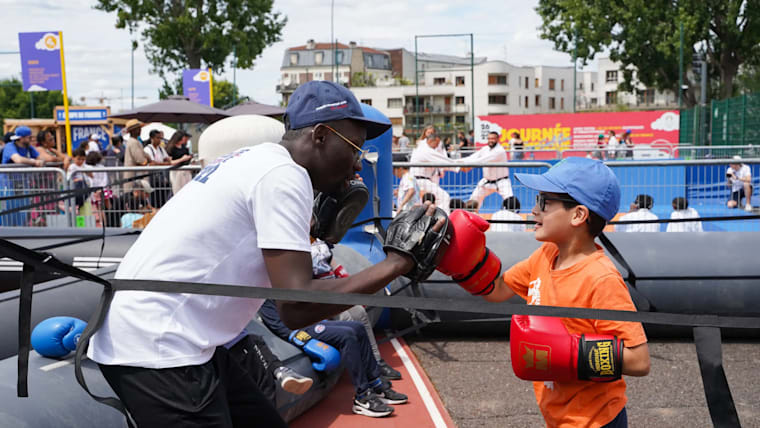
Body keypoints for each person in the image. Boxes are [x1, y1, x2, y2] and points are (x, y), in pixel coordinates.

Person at [87, 80, 439, 427]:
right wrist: (396, 263)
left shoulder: (259, 159)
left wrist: (312, 229)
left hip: (185, 342)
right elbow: (295, 305)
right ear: (319, 136)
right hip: (160, 351)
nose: (358, 165)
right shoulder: (284, 175)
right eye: (355, 148)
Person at [439, 157, 649, 427]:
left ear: (578, 215)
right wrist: (460, 262)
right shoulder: (545, 255)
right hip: (557, 414)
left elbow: (640, 360)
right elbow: (497, 290)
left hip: (597, 420)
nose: (533, 210)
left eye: (544, 202)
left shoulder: (600, 278)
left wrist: (571, 353)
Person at [259, 300, 408, 418]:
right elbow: (278, 325)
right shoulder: (264, 293)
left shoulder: (283, 280)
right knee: (347, 335)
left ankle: (376, 383)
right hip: (300, 330)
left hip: (312, 321)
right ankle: (362, 397)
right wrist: (305, 340)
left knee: (357, 327)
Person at [224, 331, 314, 402]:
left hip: (217, 355)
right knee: (264, 389)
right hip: (237, 342)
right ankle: (280, 370)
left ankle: (280, 370)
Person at [409, 130, 461, 213]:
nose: (437, 146)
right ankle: (443, 220)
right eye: (436, 144)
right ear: (431, 141)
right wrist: (458, 167)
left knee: (420, 203)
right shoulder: (426, 150)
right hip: (421, 180)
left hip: (419, 180)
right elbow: (442, 161)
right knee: (444, 197)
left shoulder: (421, 147)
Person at [1, 126, 44, 226]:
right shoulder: (9, 147)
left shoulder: (29, 148)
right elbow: (18, 160)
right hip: (8, 187)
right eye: (29, 137)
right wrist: (34, 162)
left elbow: (40, 158)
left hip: (23, 186)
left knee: (23, 214)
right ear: (21, 138)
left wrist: (38, 161)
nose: (31, 139)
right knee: (8, 215)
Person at [463, 131, 513, 212]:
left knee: (511, 202)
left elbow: (482, 160)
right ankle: (471, 218)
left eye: (493, 138)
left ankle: (513, 219)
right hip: (486, 181)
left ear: (497, 139)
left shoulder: (500, 151)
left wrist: (468, 165)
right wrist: (459, 162)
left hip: (502, 181)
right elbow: (473, 157)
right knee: (473, 200)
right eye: (489, 138)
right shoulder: (485, 149)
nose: (490, 140)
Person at [166, 130, 194, 195]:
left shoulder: (183, 146)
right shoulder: (171, 148)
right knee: (177, 190)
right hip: (176, 171)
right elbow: (169, 162)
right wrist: (182, 159)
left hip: (185, 171)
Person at [123, 119, 148, 191]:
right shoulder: (133, 142)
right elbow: (141, 161)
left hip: (135, 177)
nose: (140, 130)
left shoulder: (135, 141)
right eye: (138, 129)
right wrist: (148, 161)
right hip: (134, 178)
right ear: (133, 131)